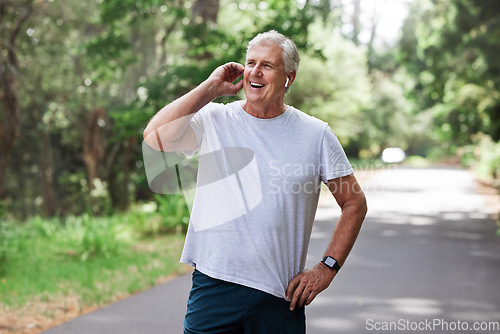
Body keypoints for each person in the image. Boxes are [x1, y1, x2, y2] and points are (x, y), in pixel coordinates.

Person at [143, 30, 367, 334]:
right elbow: (155, 138)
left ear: (289, 77)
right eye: (251, 62)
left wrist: (326, 269)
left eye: (267, 65)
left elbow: (354, 202)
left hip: (280, 297)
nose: (255, 72)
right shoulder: (214, 119)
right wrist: (210, 88)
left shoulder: (315, 135)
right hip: (214, 287)